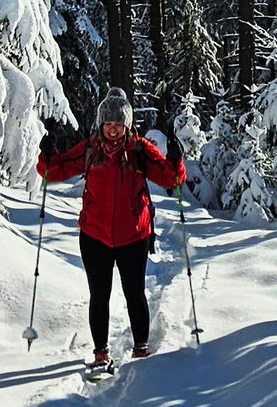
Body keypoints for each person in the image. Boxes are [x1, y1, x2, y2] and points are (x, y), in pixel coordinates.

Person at [39, 87, 185, 370]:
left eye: (119, 124)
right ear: (101, 124)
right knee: (99, 294)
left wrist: (176, 158)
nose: (113, 130)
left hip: (134, 235)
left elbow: (171, 179)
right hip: (94, 235)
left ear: (127, 125)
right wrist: (48, 153)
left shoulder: (140, 149)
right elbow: (52, 171)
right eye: (108, 124)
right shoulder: (91, 149)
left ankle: (141, 348)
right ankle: (100, 352)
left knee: (134, 292)